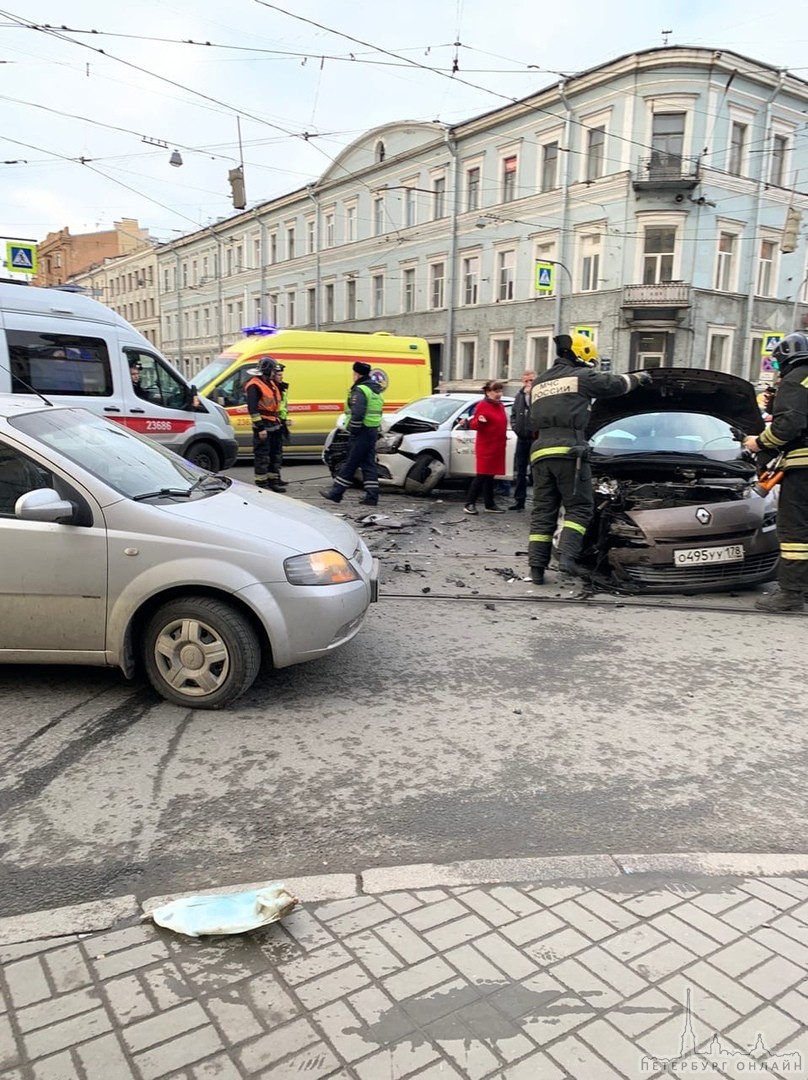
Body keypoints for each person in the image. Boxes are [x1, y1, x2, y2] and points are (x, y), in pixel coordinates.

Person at [527, 334, 651, 584]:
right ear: (581, 355)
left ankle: (537, 569)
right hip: (569, 451)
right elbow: (613, 384)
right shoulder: (581, 377)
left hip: (540, 452)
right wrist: (639, 378)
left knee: (543, 511)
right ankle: (568, 560)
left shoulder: (539, 383)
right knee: (580, 508)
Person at [744, 332, 808, 612]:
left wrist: (757, 443)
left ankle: (791, 594)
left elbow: (789, 426)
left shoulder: (797, 378)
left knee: (795, 531)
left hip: (803, 468)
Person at [321, 361, 384, 506]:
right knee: (369, 464)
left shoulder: (360, 390)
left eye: (353, 373)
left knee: (350, 462)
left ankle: (336, 493)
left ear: (357, 374)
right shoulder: (375, 390)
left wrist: (353, 430)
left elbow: (358, 413)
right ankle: (372, 496)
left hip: (361, 431)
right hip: (372, 430)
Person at [460, 380, 509, 515]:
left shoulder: (500, 406)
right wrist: (480, 421)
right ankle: (469, 503)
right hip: (486, 446)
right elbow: (474, 424)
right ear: (488, 392)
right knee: (481, 475)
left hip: (497, 446)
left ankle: (489, 504)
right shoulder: (482, 405)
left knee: (490, 476)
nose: (499, 394)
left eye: (500, 391)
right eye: (496, 391)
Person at [244, 357, 286, 492]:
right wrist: (260, 428)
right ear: (268, 370)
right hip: (263, 425)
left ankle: (273, 481)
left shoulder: (270, 383)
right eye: (274, 370)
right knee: (263, 456)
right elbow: (253, 409)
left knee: (275, 454)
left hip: (274, 424)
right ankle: (262, 483)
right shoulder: (254, 385)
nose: (275, 372)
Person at [509, 368, 536, 511]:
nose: (528, 383)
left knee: (536, 472)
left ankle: (538, 503)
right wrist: (516, 428)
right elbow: (513, 414)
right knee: (520, 471)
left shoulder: (538, 395)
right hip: (522, 438)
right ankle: (519, 501)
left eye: (531, 380)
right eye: (526, 380)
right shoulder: (519, 395)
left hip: (535, 439)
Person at [272, 362, 292, 486]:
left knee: (278, 453)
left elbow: (284, 405)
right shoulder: (274, 388)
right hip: (275, 421)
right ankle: (273, 478)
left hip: (281, 422)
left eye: (281, 375)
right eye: (278, 375)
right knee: (274, 453)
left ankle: (277, 476)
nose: (281, 377)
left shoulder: (281, 388)